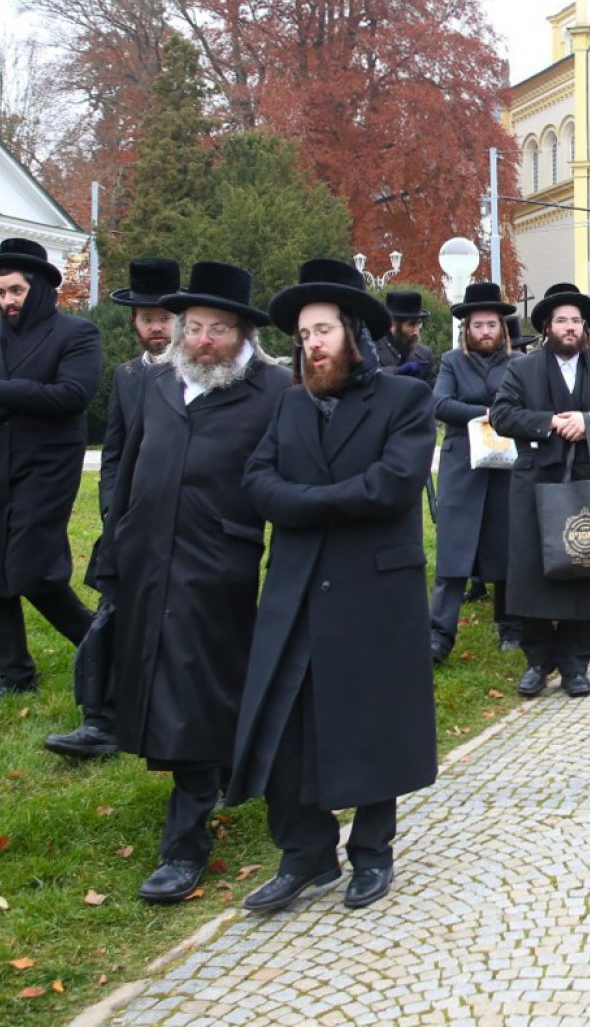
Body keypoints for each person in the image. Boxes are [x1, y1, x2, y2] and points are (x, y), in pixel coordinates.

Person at [230, 258, 439, 913]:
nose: (311, 344)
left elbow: (394, 484)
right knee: (288, 726)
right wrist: (316, 499)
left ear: (353, 333)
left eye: (322, 329)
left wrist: (305, 501)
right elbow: (256, 479)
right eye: (302, 334)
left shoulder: (405, 400)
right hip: (296, 588)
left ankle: (372, 854)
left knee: (371, 719)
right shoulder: (289, 404)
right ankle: (306, 855)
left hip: (372, 591)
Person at [103, 262, 289, 902]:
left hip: (221, 568)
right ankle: (236, 771)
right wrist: (113, 553)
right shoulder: (157, 386)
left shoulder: (272, 392)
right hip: (147, 561)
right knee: (164, 687)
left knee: (197, 695)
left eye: (219, 329)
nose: (204, 341)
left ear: (244, 337)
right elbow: (128, 469)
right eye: (195, 328)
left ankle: (184, 845)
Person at [0, 237, 101, 695]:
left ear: (40, 290)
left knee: (34, 570)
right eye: (0, 291)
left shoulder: (76, 334)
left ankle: (102, 644)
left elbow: (72, 395)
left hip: (46, 467)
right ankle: (12, 676)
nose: (7, 300)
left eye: (16, 291)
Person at [44, 256, 179, 760]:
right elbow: (116, 452)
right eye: (146, 319)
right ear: (134, 323)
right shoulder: (126, 376)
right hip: (128, 519)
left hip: (184, 521)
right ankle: (100, 721)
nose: (156, 328)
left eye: (164, 317)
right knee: (111, 611)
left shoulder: (200, 373)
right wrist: (111, 512)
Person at [491, 285, 590, 697]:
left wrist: (589, 420)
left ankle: (575, 664)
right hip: (534, 483)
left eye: (575, 321)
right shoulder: (522, 370)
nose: (569, 328)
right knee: (534, 573)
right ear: (547, 327)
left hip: (586, 485)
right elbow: (502, 416)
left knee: (583, 571)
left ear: (586, 329)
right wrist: (551, 422)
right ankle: (537, 661)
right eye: (562, 321)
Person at [427, 282, 521, 663]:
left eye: (492, 325)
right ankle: (439, 633)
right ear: (466, 329)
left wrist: (497, 414)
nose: (485, 332)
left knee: (506, 545)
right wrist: (486, 415)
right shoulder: (452, 361)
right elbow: (440, 403)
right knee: (453, 549)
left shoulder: (517, 363)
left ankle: (510, 626)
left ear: (502, 328)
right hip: (462, 463)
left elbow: (523, 403)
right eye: (478, 325)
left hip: (506, 464)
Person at [376, 289, 437, 382]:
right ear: (393, 324)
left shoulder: (425, 355)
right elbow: (366, 378)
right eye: (411, 325)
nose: (416, 331)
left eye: (418, 324)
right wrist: (396, 371)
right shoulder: (372, 349)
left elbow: (433, 392)